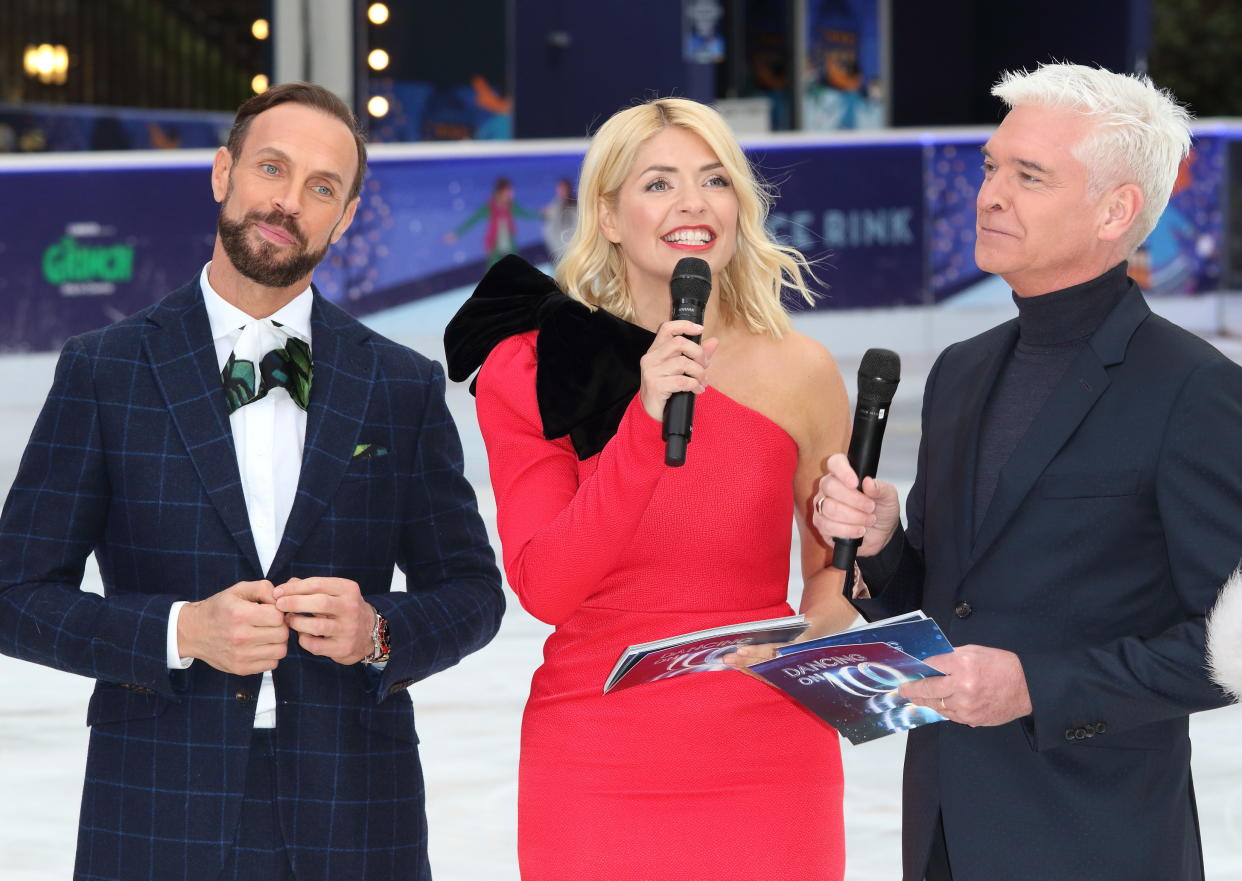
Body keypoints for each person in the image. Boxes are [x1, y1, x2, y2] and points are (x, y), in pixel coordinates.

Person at [0, 82, 504, 881]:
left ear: (344, 218)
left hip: (357, 816)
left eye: (321, 187)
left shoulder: (400, 385)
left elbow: (475, 592)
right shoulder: (105, 371)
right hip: (157, 810)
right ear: (222, 172)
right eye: (273, 168)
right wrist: (178, 633)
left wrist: (379, 630)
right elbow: (14, 593)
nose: (289, 201)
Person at [812, 63, 1242, 881]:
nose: (990, 194)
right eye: (989, 167)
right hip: (943, 832)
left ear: (1116, 210)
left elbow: (1229, 649)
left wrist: (1037, 686)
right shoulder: (962, 370)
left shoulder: (1194, 389)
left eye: (1029, 175)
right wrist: (882, 544)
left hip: (1096, 840)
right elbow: (953, 600)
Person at [444, 97, 857, 878]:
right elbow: (547, 586)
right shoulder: (533, 366)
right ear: (607, 213)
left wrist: (815, 630)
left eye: (714, 180)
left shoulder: (802, 370)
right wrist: (642, 421)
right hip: (598, 758)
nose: (693, 203)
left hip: (770, 751)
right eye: (659, 183)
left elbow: (833, 569)